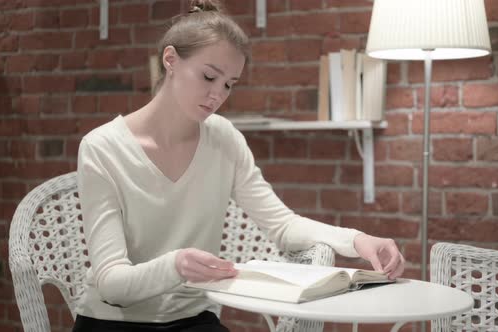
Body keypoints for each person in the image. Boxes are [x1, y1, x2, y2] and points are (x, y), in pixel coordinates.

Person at [73, 0, 406, 331]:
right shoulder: (102, 148)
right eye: (208, 76)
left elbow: (282, 225)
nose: (217, 94)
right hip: (111, 322)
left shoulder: (223, 138)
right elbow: (111, 283)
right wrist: (176, 265)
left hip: (193, 320)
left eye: (229, 84)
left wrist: (358, 240)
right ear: (170, 60)